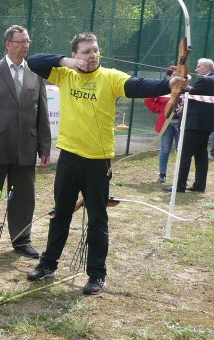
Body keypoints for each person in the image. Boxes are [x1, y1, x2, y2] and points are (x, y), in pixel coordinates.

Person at [23, 32, 185, 295]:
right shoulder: (64, 74)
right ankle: (48, 264)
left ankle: (97, 275)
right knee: (61, 213)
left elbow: (138, 85)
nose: (92, 55)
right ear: (74, 54)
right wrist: (65, 62)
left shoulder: (110, 77)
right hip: (69, 157)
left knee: (97, 219)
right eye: (86, 51)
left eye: (95, 50)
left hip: (98, 162)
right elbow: (34, 61)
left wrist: (169, 84)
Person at [0, 25, 51, 259]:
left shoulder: (36, 74)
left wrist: (44, 148)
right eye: (20, 42)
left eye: (27, 41)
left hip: (26, 149)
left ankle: (22, 240)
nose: (25, 46)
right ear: (8, 44)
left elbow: (42, 114)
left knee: (23, 198)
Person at [163, 58, 214, 193]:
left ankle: (179, 185)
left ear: (207, 68)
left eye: (199, 66)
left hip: (195, 124)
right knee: (201, 155)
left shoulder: (205, 80)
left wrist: (184, 85)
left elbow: (191, 93)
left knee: (185, 153)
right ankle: (199, 184)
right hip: (206, 124)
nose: (196, 69)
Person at [144, 95, 179, 183]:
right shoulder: (164, 90)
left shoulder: (188, 90)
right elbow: (148, 100)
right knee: (165, 149)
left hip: (182, 124)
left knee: (181, 151)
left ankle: (181, 177)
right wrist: (161, 108)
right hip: (166, 124)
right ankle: (162, 174)